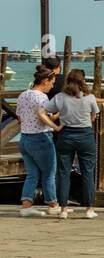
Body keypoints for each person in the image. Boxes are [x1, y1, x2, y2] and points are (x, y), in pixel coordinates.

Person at [51, 68, 100, 218]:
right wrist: (86, 121)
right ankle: (89, 209)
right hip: (85, 134)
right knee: (87, 171)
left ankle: (63, 209)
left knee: (63, 172)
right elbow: (94, 115)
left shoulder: (60, 96)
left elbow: (42, 111)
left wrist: (55, 126)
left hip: (66, 134)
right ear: (83, 80)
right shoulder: (90, 97)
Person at [17, 66, 61, 217]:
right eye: (52, 82)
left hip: (24, 138)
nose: (53, 85)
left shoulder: (23, 95)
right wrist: (61, 112)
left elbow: (20, 117)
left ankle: (26, 206)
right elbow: (45, 118)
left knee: (32, 174)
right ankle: (53, 204)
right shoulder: (42, 97)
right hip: (41, 138)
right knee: (49, 173)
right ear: (44, 81)